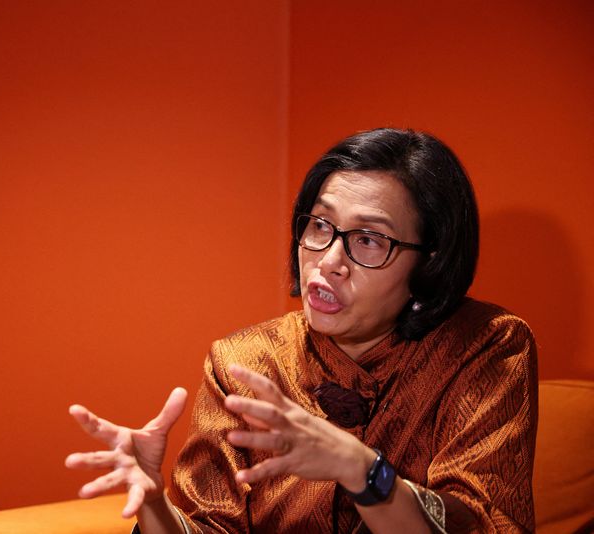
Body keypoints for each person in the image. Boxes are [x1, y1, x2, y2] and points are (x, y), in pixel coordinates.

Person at [65, 128, 538, 533]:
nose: (328, 262)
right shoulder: (246, 360)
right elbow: (213, 526)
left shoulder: (488, 346)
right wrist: (154, 504)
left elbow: (483, 522)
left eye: (368, 240)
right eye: (319, 226)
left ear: (430, 261)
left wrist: (361, 469)